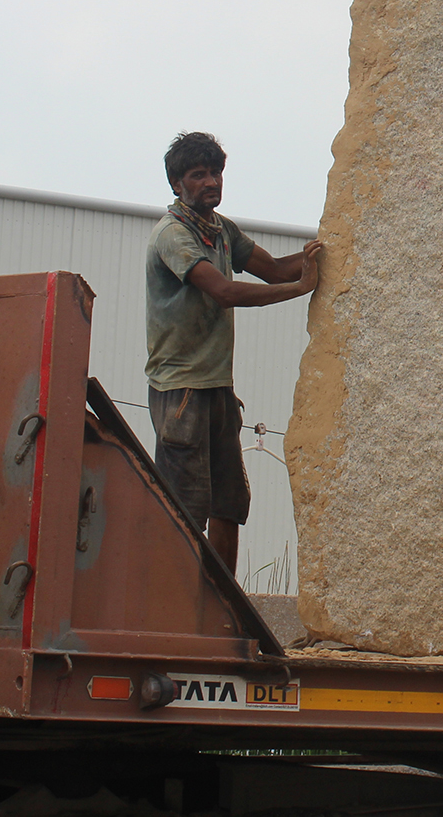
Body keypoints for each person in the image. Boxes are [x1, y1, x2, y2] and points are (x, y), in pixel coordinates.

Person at [145, 131, 323, 571]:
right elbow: (223, 291)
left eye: (216, 172)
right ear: (176, 185)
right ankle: (180, 610)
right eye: (197, 174)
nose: (210, 182)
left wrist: (330, 247)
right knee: (182, 512)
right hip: (181, 392)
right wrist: (299, 289)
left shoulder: (221, 230)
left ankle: (224, 607)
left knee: (229, 503)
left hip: (218, 389)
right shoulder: (174, 235)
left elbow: (275, 268)